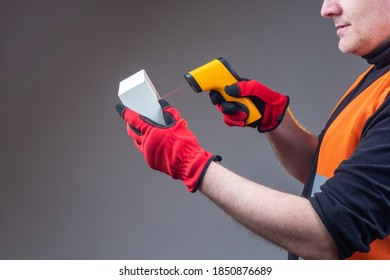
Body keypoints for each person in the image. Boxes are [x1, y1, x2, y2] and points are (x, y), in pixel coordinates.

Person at [116, 0, 390, 259]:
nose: (327, 9)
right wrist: (277, 124)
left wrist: (192, 164)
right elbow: (343, 181)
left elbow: (328, 232)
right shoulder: (377, 75)